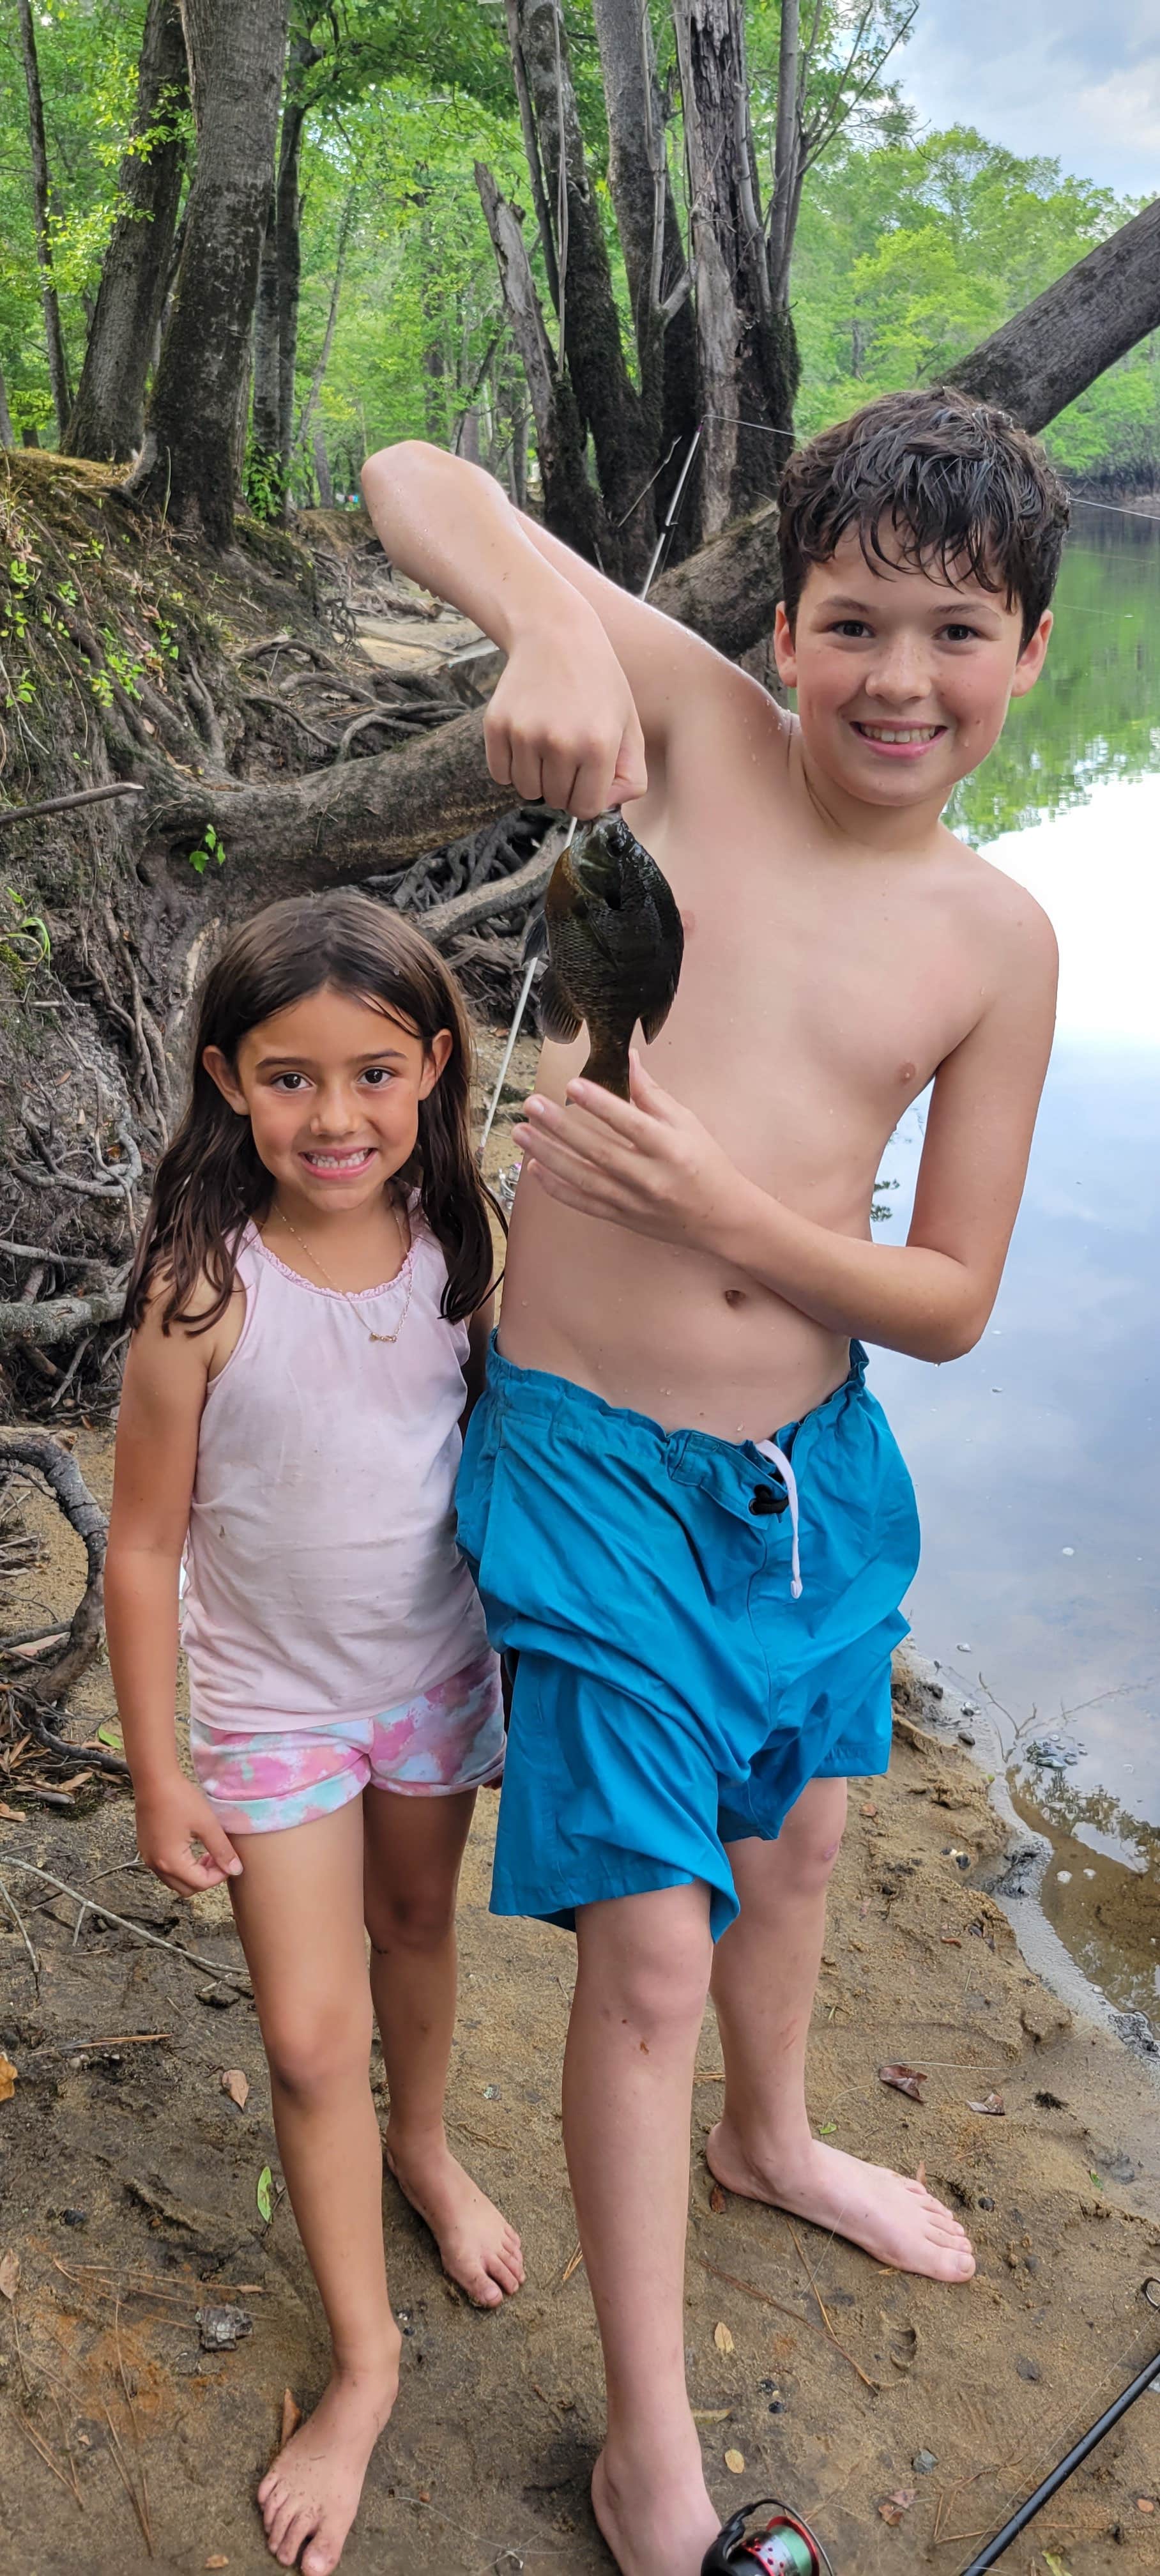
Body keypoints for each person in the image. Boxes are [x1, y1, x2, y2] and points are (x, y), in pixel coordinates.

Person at [360, 387, 1067, 2575]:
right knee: (644, 1954)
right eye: (852, 624)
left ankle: (776, 2136)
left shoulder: (996, 942)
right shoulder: (683, 726)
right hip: (583, 1471)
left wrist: (730, 1218)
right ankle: (651, 2443)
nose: (896, 679)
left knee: (804, 1862)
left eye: (956, 635)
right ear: (778, 626)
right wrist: (563, 640)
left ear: (1031, 654)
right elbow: (415, 481)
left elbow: (946, 1297)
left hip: (815, 1483)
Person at [105, 894, 523, 2576]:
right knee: (299, 2036)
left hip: (435, 1675)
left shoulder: (465, 1250)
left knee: (418, 1925)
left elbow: (519, 1448)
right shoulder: (202, 1291)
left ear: (432, 1066)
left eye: (370, 1073)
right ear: (226, 1080)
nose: (333, 1117)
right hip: (272, 1710)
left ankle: (421, 2142)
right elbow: (138, 1545)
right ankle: (365, 2362)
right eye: (287, 1080)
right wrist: (158, 1762)